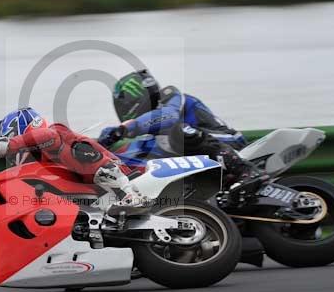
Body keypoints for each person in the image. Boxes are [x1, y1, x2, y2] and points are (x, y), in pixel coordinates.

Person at [98, 69, 267, 207]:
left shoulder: (170, 96)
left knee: (176, 131)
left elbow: (169, 116)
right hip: (200, 154)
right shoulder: (150, 125)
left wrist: (127, 127)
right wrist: (104, 140)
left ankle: (246, 170)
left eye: (124, 105)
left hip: (227, 141)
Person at [0, 107, 145, 216]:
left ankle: (129, 195)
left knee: (75, 148)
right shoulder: (37, 158)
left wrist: (1, 146)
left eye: (7, 138)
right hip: (92, 195)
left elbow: (46, 136)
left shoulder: (53, 134)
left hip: (119, 173)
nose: (8, 143)